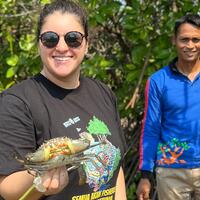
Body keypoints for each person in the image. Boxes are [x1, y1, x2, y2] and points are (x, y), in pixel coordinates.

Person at [0, 0, 127, 199]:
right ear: (38, 44)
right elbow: (7, 188)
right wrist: (41, 179)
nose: (61, 47)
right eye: (50, 39)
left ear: (87, 44)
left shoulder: (103, 92)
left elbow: (116, 165)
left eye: (73, 38)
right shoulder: (16, 102)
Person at [136, 14, 200, 200]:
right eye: (184, 39)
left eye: (196, 40)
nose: (190, 45)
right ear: (174, 40)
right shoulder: (157, 81)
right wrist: (145, 175)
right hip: (171, 172)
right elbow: (151, 127)